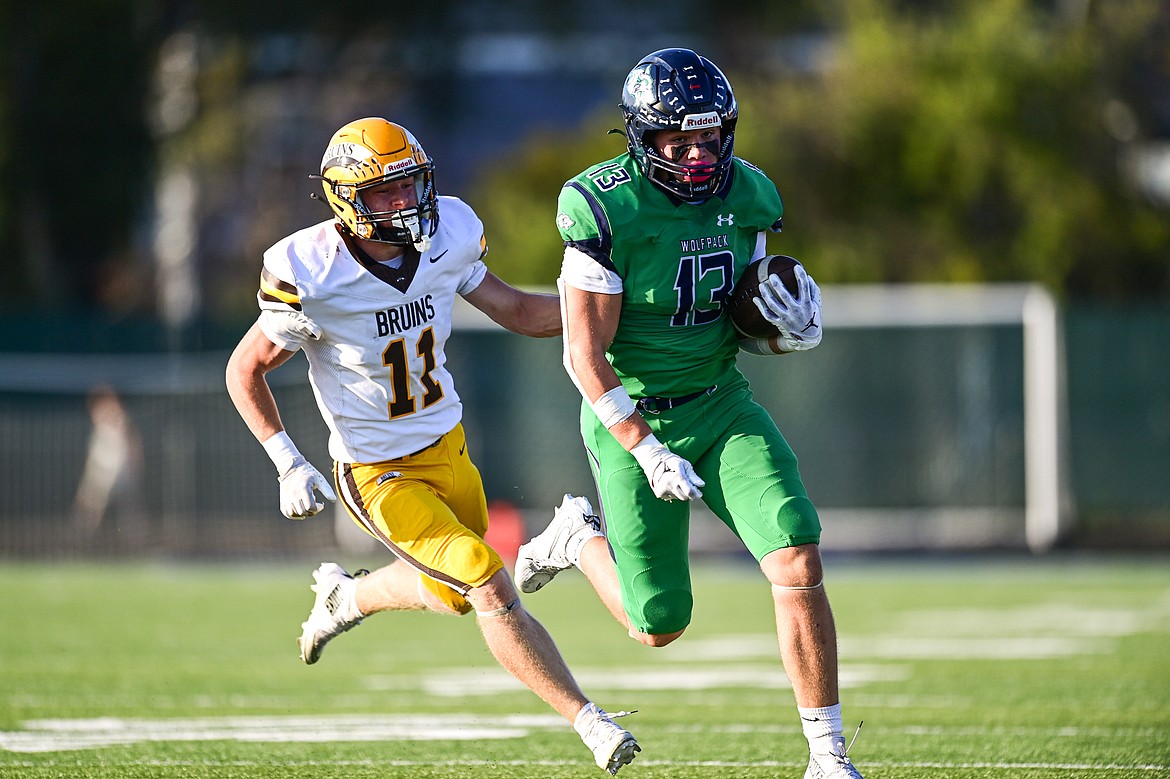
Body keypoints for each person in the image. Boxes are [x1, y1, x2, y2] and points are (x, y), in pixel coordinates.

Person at [225, 117, 639, 775]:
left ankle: (346, 598)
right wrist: (287, 461)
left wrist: (612, 303)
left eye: (410, 184)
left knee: (452, 592)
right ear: (345, 199)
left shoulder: (449, 234)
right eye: (383, 191)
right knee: (485, 581)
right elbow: (244, 369)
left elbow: (519, 312)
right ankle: (590, 720)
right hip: (377, 472)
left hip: (449, 445)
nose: (403, 201)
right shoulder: (311, 271)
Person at [513, 49, 865, 779]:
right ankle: (578, 536)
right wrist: (644, 448)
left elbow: (741, 311)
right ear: (643, 138)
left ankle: (827, 757)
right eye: (679, 140)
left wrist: (783, 328)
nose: (699, 154)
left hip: (720, 402)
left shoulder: (751, 193)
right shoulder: (603, 206)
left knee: (797, 552)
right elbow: (583, 354)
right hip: (630, 413)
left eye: (710, 136)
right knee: (658, 623)